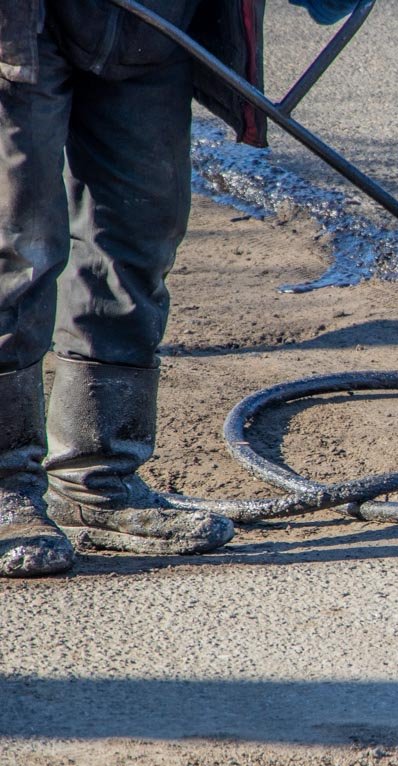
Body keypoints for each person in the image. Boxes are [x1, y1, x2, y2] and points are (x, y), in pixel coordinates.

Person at [0, 0, 355, 577]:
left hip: (151, 26)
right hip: (20, 25)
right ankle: (5, 486)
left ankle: (98, 480)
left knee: (138, 235)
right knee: (17, 245)